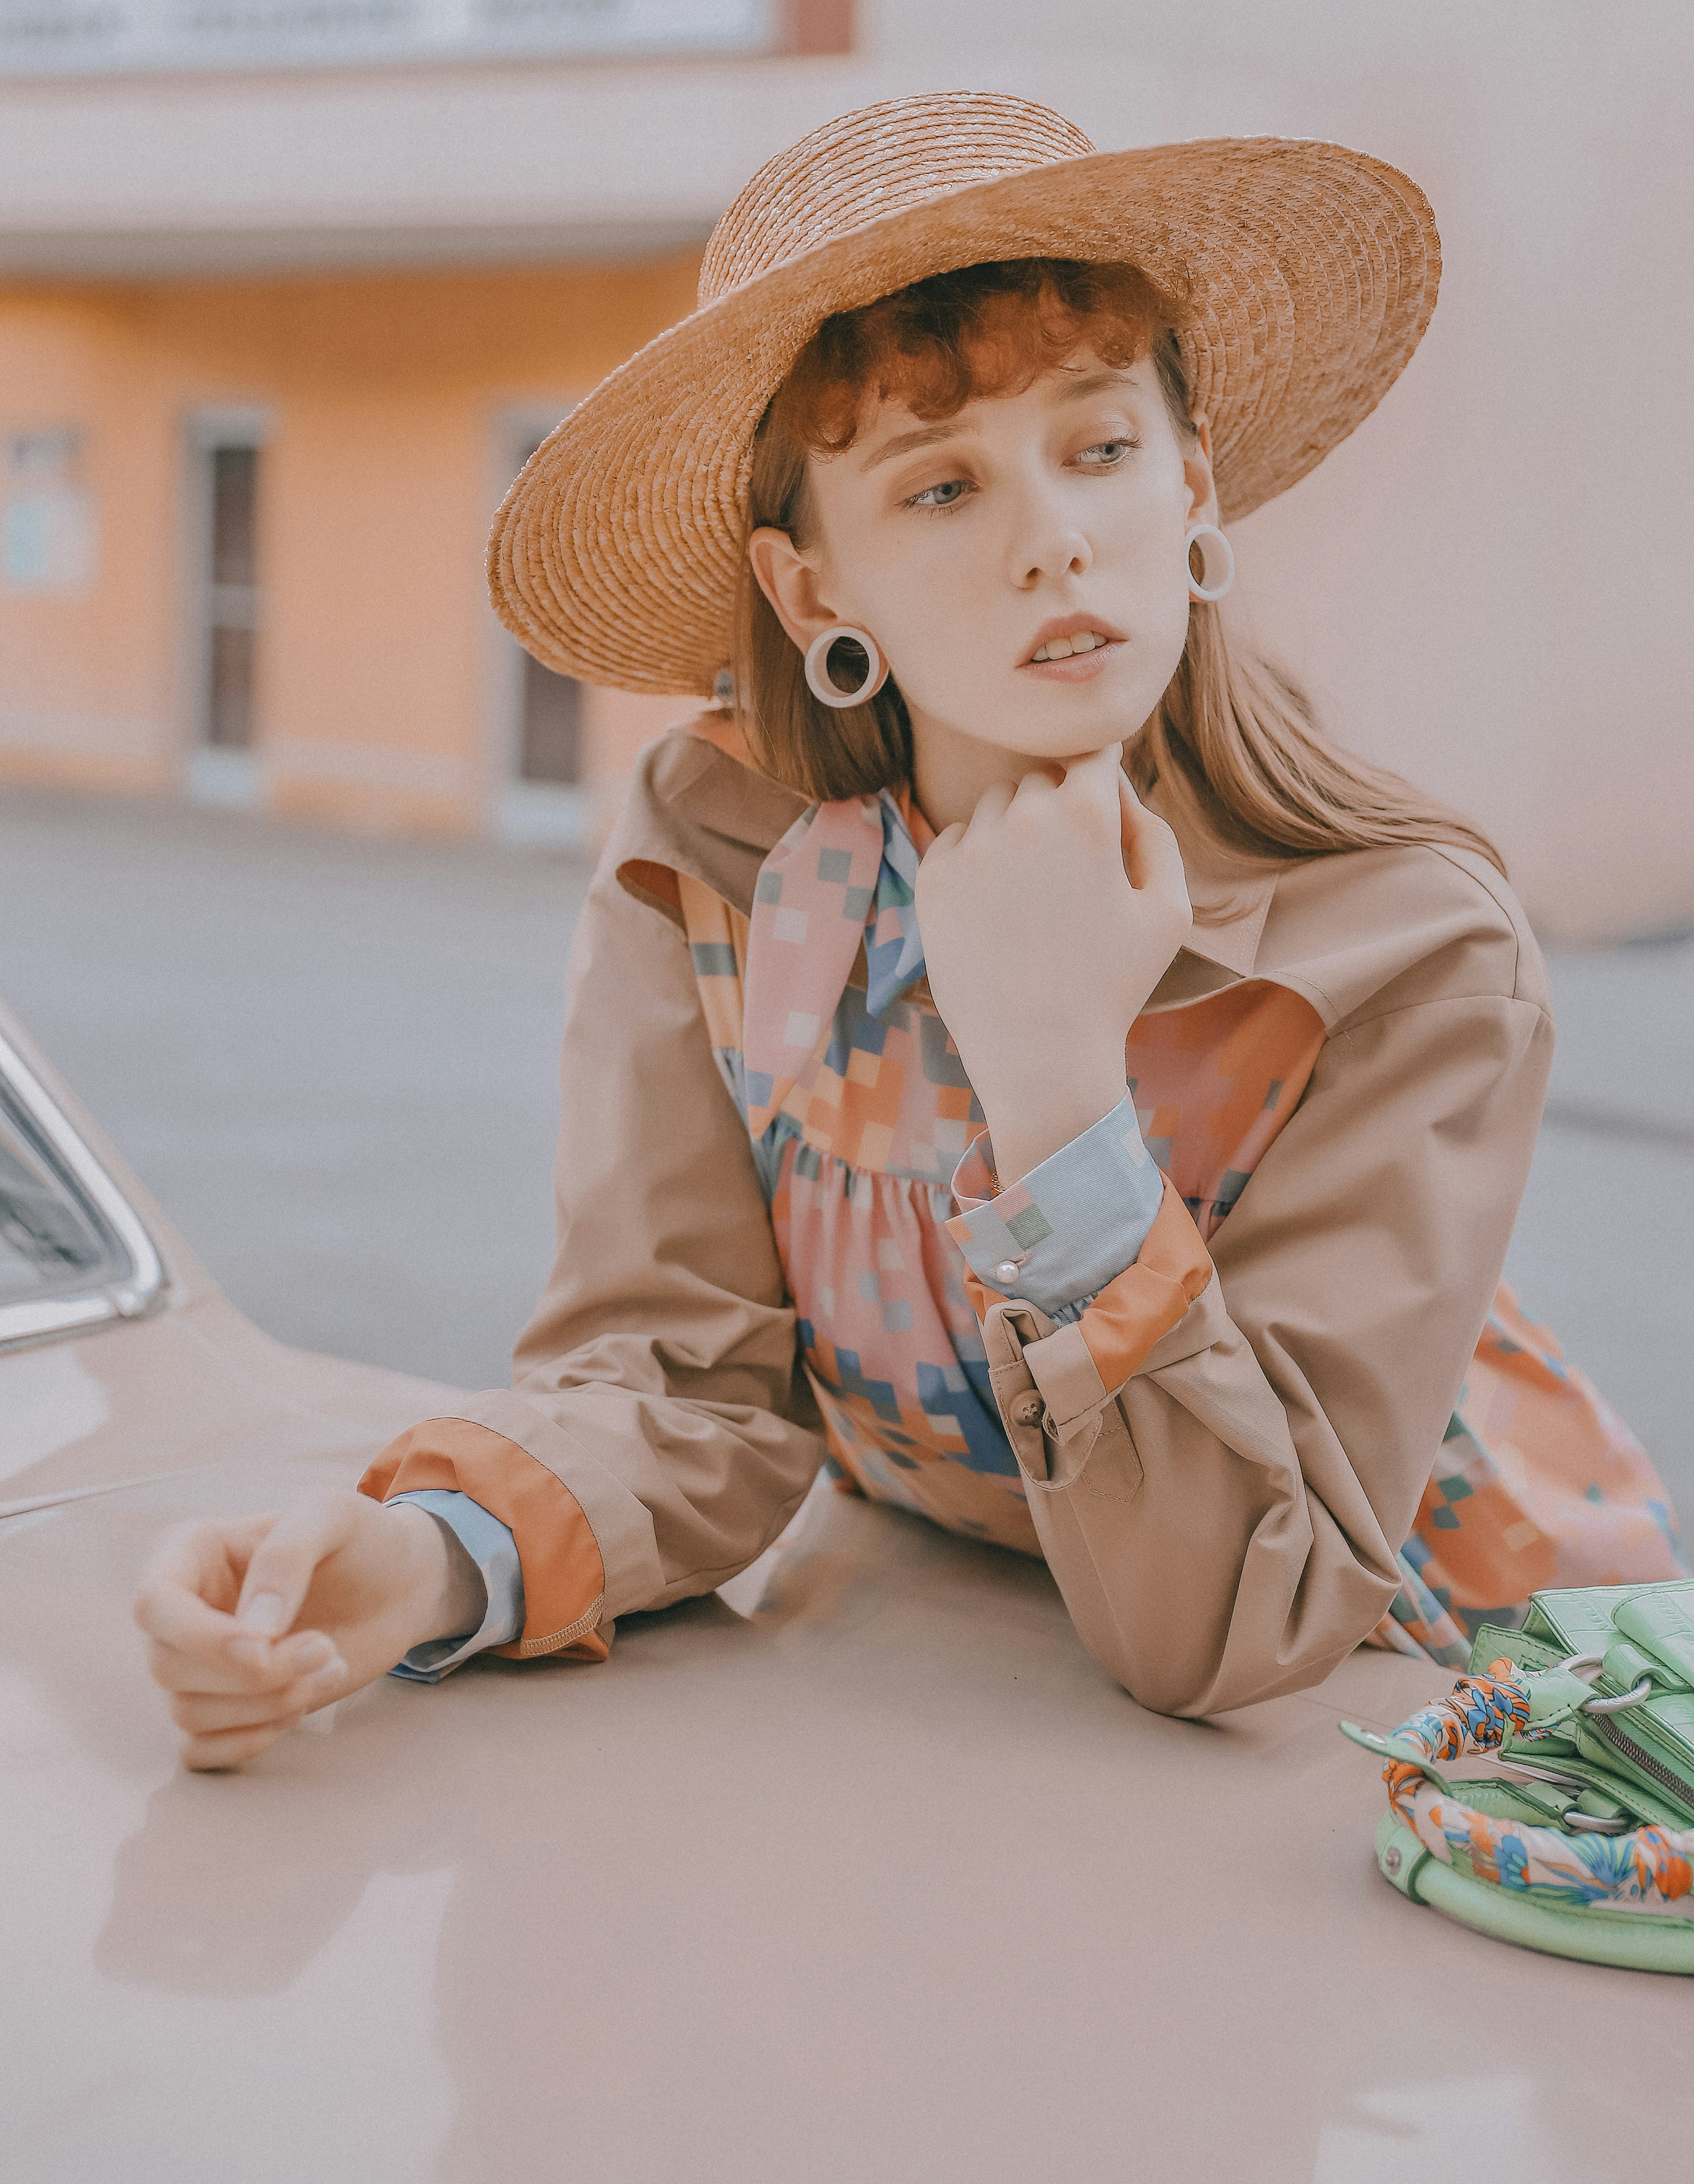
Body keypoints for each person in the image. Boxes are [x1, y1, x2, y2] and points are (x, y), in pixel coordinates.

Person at [134, 92, 1682, 1769]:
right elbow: (687, 1398)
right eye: (938, 489)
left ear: (1193, 485)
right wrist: (426, 1566)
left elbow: (1231, 1626)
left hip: (1423, 1718)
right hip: (940, 1670)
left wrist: (1050, 1082)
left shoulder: (1403, 944)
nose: (1054, 539)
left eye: (1097, 449)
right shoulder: (711, 855)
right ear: (812, 594)